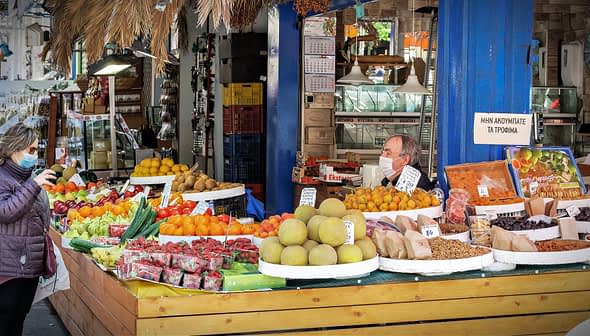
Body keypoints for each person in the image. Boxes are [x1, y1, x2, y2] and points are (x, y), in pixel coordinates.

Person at [0, 123, 56, 336]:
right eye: (31, 150)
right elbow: (5, 211)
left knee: (18, 318)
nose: (35, 155)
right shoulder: (3, 177)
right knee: (5, 320)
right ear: (15, 149)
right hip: (8, 268)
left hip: (28, 265)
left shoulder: (26, 176)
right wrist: (34, 186)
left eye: (37, 150)